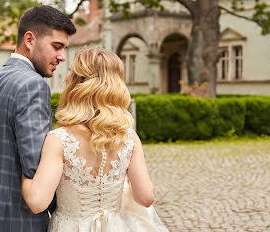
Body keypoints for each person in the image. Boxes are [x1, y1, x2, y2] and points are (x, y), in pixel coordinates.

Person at [21, 46, 168, 232]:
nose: (66, 77)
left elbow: (37, 202)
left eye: (70, 72)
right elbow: (146, 197)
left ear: (78, 83)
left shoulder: (59, 140)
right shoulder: (129, 137)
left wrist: (24, 174)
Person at [0, 5, 76, 232]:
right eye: (57, 46)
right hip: (17, 222)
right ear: (30, 40)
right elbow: (35, 168)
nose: (62, 57)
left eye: (64, 48)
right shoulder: (32, 85)